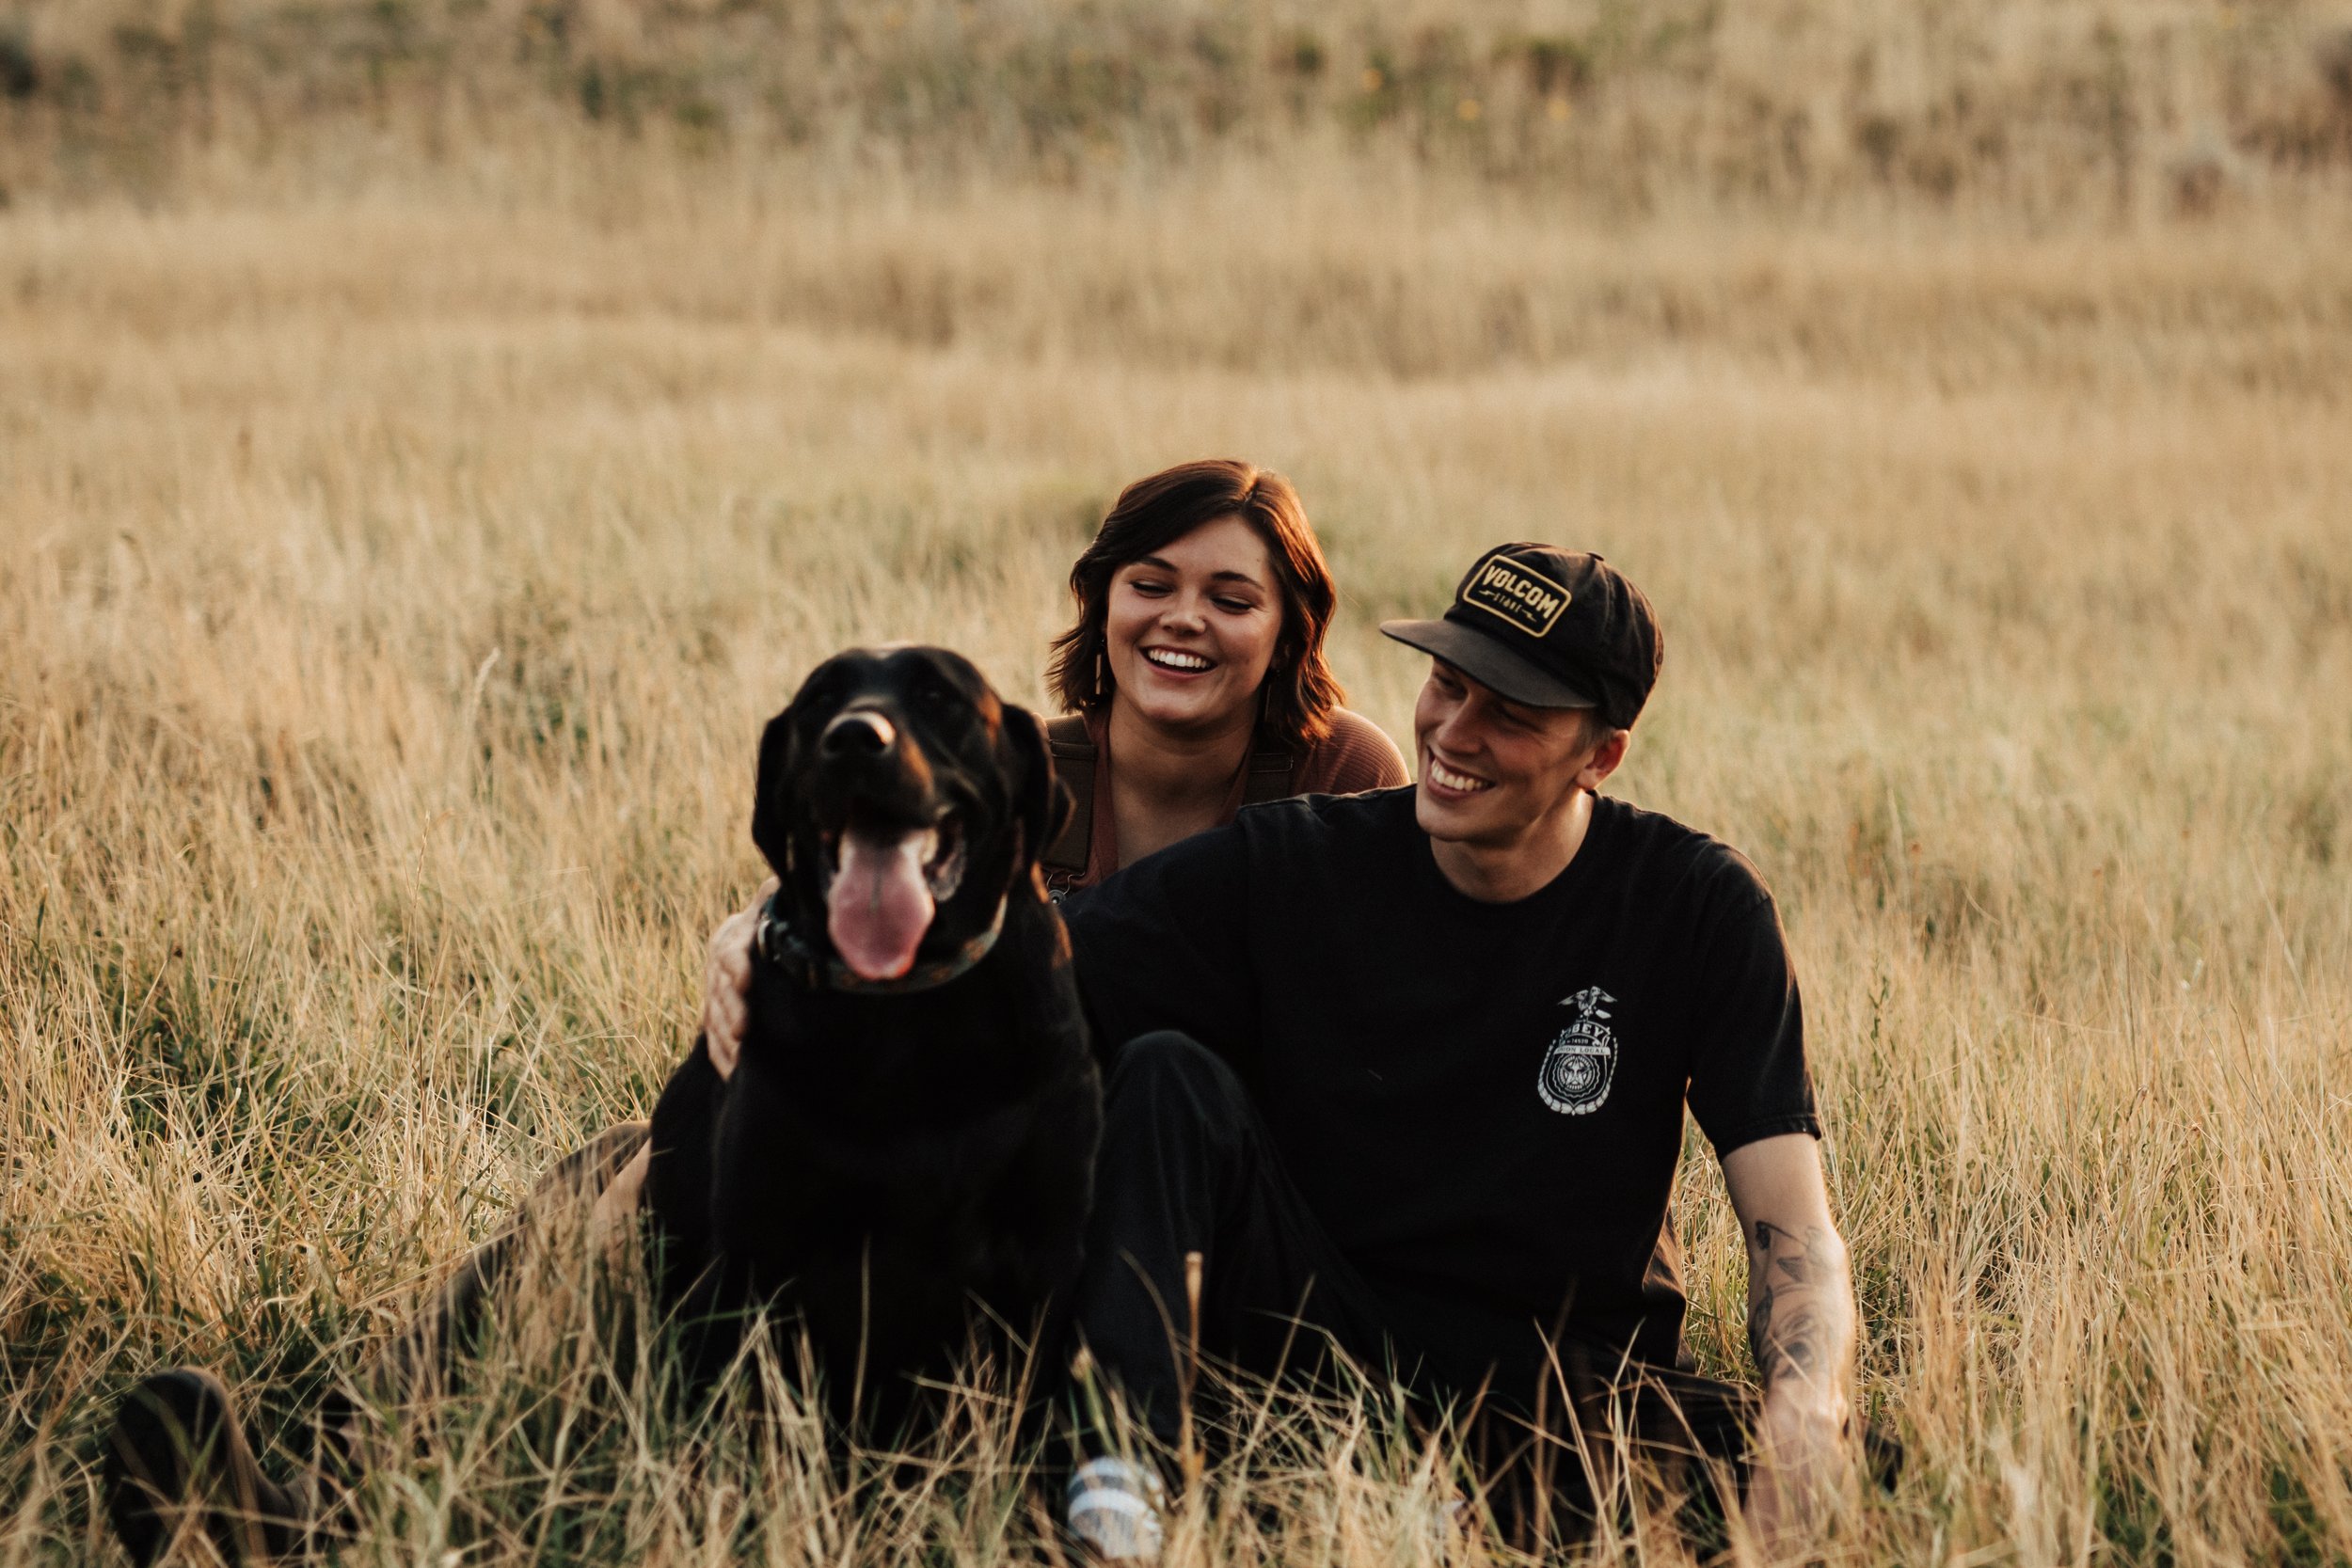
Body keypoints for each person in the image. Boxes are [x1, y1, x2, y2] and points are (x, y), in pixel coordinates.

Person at [701, 543, 1865, 1557]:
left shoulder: (1694, 906)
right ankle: (1117, 1490)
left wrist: (1807, 1401)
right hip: (1313, 1347)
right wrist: (787, 918)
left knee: (1857, 1476)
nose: (1453, 734)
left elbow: (1791, 1225)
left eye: (1509, 712)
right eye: (1446, 684)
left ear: (1600, 756)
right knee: (1163, 1076)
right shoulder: (1289, 863)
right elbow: (1018, 959)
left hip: (1561, 1388)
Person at [1035, 458, 1407, 895]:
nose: (1184, 619)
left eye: (1231, 601)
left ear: (1288, 638)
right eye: (1151, 587)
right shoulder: (1015, 771)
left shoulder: (1343, 774)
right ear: (1101, 609)